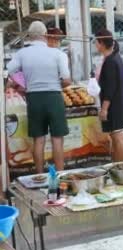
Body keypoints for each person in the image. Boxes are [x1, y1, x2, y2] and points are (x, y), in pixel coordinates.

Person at [7, 21, 71, 173]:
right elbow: (67, 80)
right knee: (57, 139)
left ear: (30, 35)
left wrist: (18, 86)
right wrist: (54, 85)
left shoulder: (22, 54)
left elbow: (8, 72)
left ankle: (39, 175)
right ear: (45, 35)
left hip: (33, 98)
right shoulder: (58, 54)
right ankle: (60, 175)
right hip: (54, 97)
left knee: (39, 139)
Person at [95, 29, 123, 162]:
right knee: (116, 138)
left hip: (115, 106)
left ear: (102, 43)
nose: (96, 46)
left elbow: (109, 88)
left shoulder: (110, 61)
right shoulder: (114, 57)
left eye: (97, 43)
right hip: (118, 103)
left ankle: (122, 167)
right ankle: (117, 166)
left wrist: (104, 109)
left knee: (118, 138)